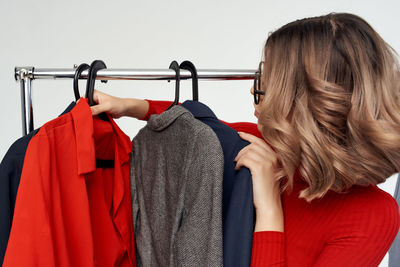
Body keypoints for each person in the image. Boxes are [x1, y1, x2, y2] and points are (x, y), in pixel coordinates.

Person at [90, 13, 400, 266]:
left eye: (268, 82)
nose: (253, 90)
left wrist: (268, 210)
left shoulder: (372, 216)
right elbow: (194, 125)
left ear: (307, 101)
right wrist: (131, 106)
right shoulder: (254, 143)